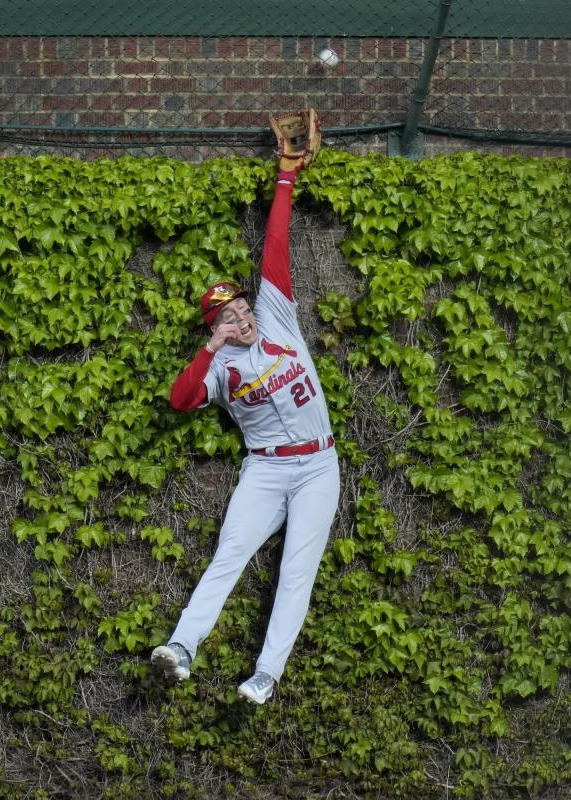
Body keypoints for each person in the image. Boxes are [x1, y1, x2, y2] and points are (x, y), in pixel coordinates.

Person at [150, 110, 338, 705]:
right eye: (229, 315)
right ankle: (181, 647)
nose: (243, 316)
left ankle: (266, 674)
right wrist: (211, 346)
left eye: (242, 308)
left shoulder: (278, 317)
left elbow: (276, 248)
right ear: (218, 328)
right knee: (228, 557)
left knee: (294, 574)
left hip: (317, 467)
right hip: (266, 469)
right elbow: (180, 401)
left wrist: (285, 179)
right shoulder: (221, 366)